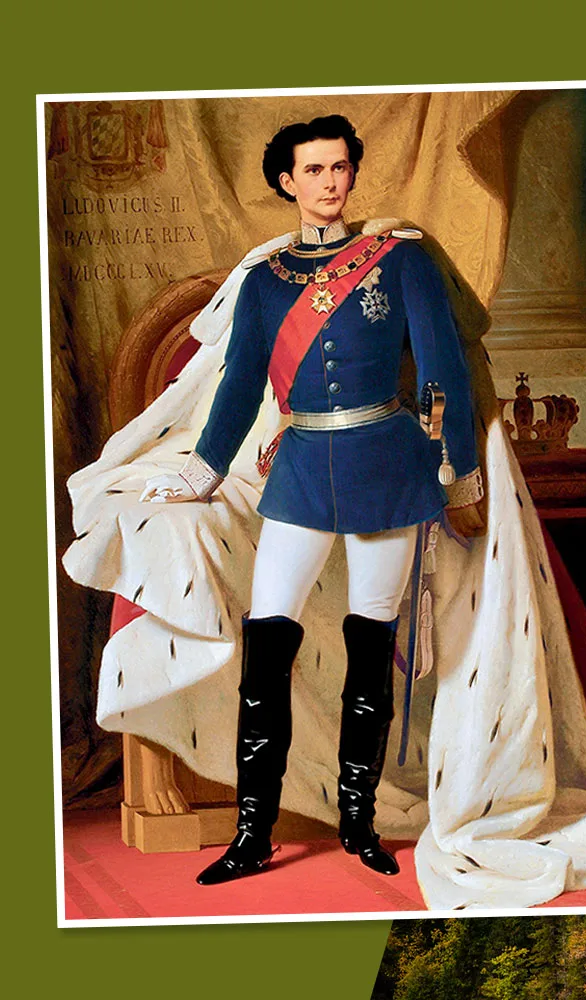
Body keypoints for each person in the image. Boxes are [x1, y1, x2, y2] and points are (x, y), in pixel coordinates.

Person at [140, 115, 485, 886]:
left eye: (340, 167)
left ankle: (359, 825)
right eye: (314, 170)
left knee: (369, 648)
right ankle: (253, 835)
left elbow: (441, 370)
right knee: (268, 642)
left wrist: (458, 474)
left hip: (387, 468)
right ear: (286, 183)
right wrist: (202, 474)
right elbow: (238, 384)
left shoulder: (401, 263)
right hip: (298, 469)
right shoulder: (264, 281)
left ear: (352, 175)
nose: (330, 182)